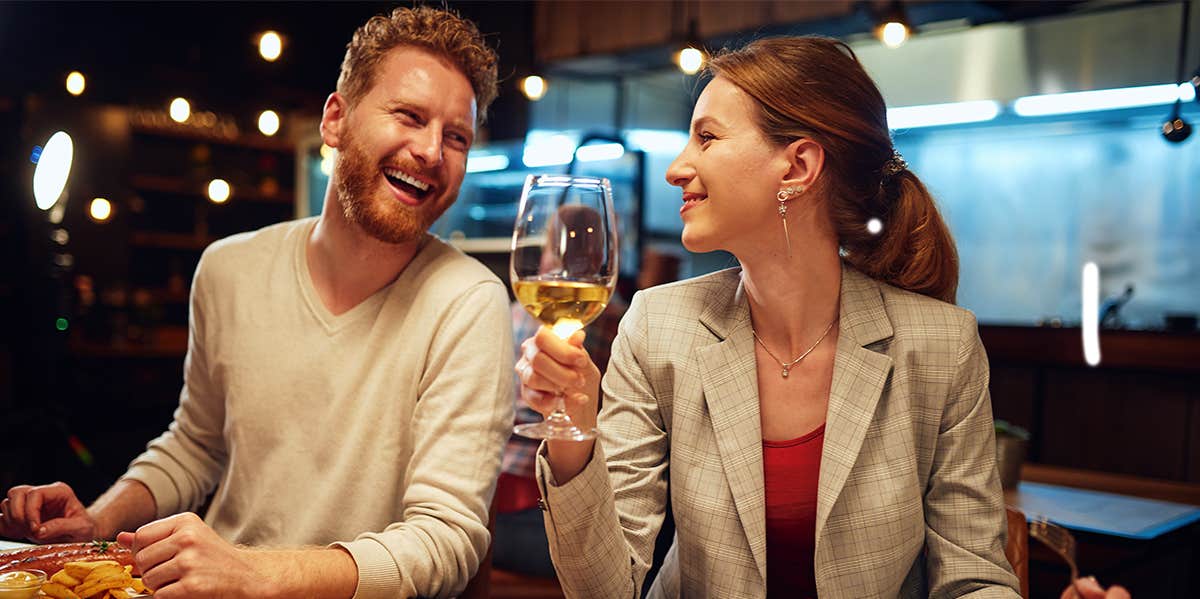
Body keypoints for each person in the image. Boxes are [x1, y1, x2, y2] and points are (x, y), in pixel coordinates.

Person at [517, 36, 1124, 598]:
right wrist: (574, 434)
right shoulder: (659, 325)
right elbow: (605, 589)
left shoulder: (942, 345)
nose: (676, 166)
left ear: (799, 167)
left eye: (706, 138)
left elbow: (971, 579)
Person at [0, 7, 512, 599]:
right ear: (336, 120)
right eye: (409, 116)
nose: (431, 152)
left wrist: (256, 575)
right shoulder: (228, 267)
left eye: (456, 137)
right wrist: (98, 521)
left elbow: (447, 539)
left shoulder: (468, 301)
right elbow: (196, 444)